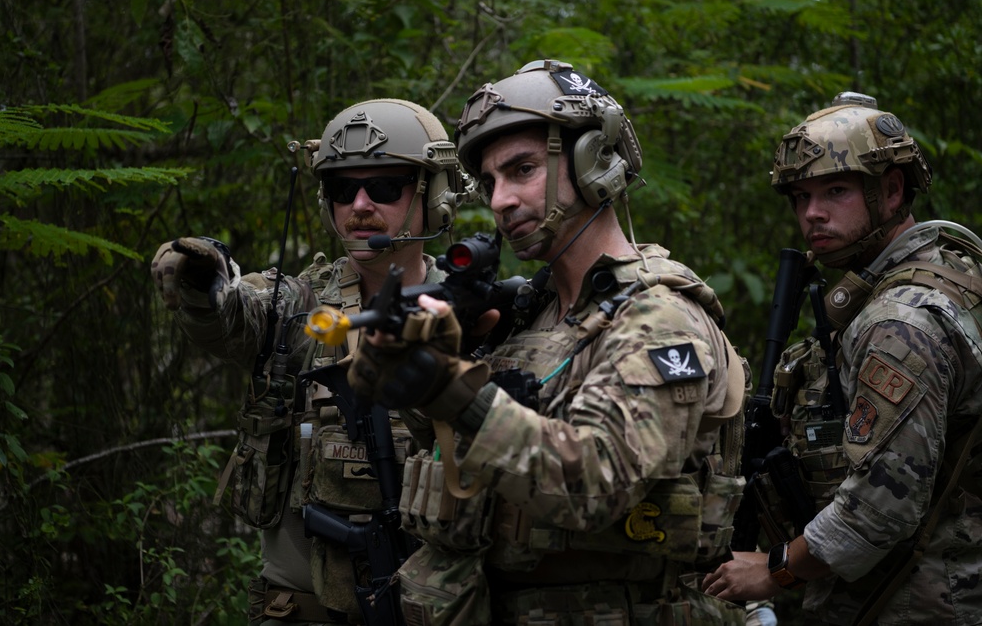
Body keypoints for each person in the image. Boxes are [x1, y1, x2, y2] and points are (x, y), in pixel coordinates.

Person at [347, 59, 749, 625]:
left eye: (523, 170)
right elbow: (471, 457)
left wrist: (453, 390)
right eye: (489, 183)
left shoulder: (659, 319)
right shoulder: (529, 314)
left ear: (593, 163)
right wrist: (417, 375)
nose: (500, 200)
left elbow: (597, 481)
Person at [150, 98, 470, 624]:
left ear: (433, 196)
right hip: (298, 610)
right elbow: (231, 314)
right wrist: (199, 279)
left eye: (385, 187)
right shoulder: (296, 304)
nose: (361, 205)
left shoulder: (471, 312)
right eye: (344, 189)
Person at [702, 92, 982, 624]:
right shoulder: (943, 275)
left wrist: (776, 568)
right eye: (801, 196)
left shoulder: (900, 321)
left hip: (915, 603)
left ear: (892, 190)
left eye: (835, 190)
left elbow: (884, 504)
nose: (812, 213)